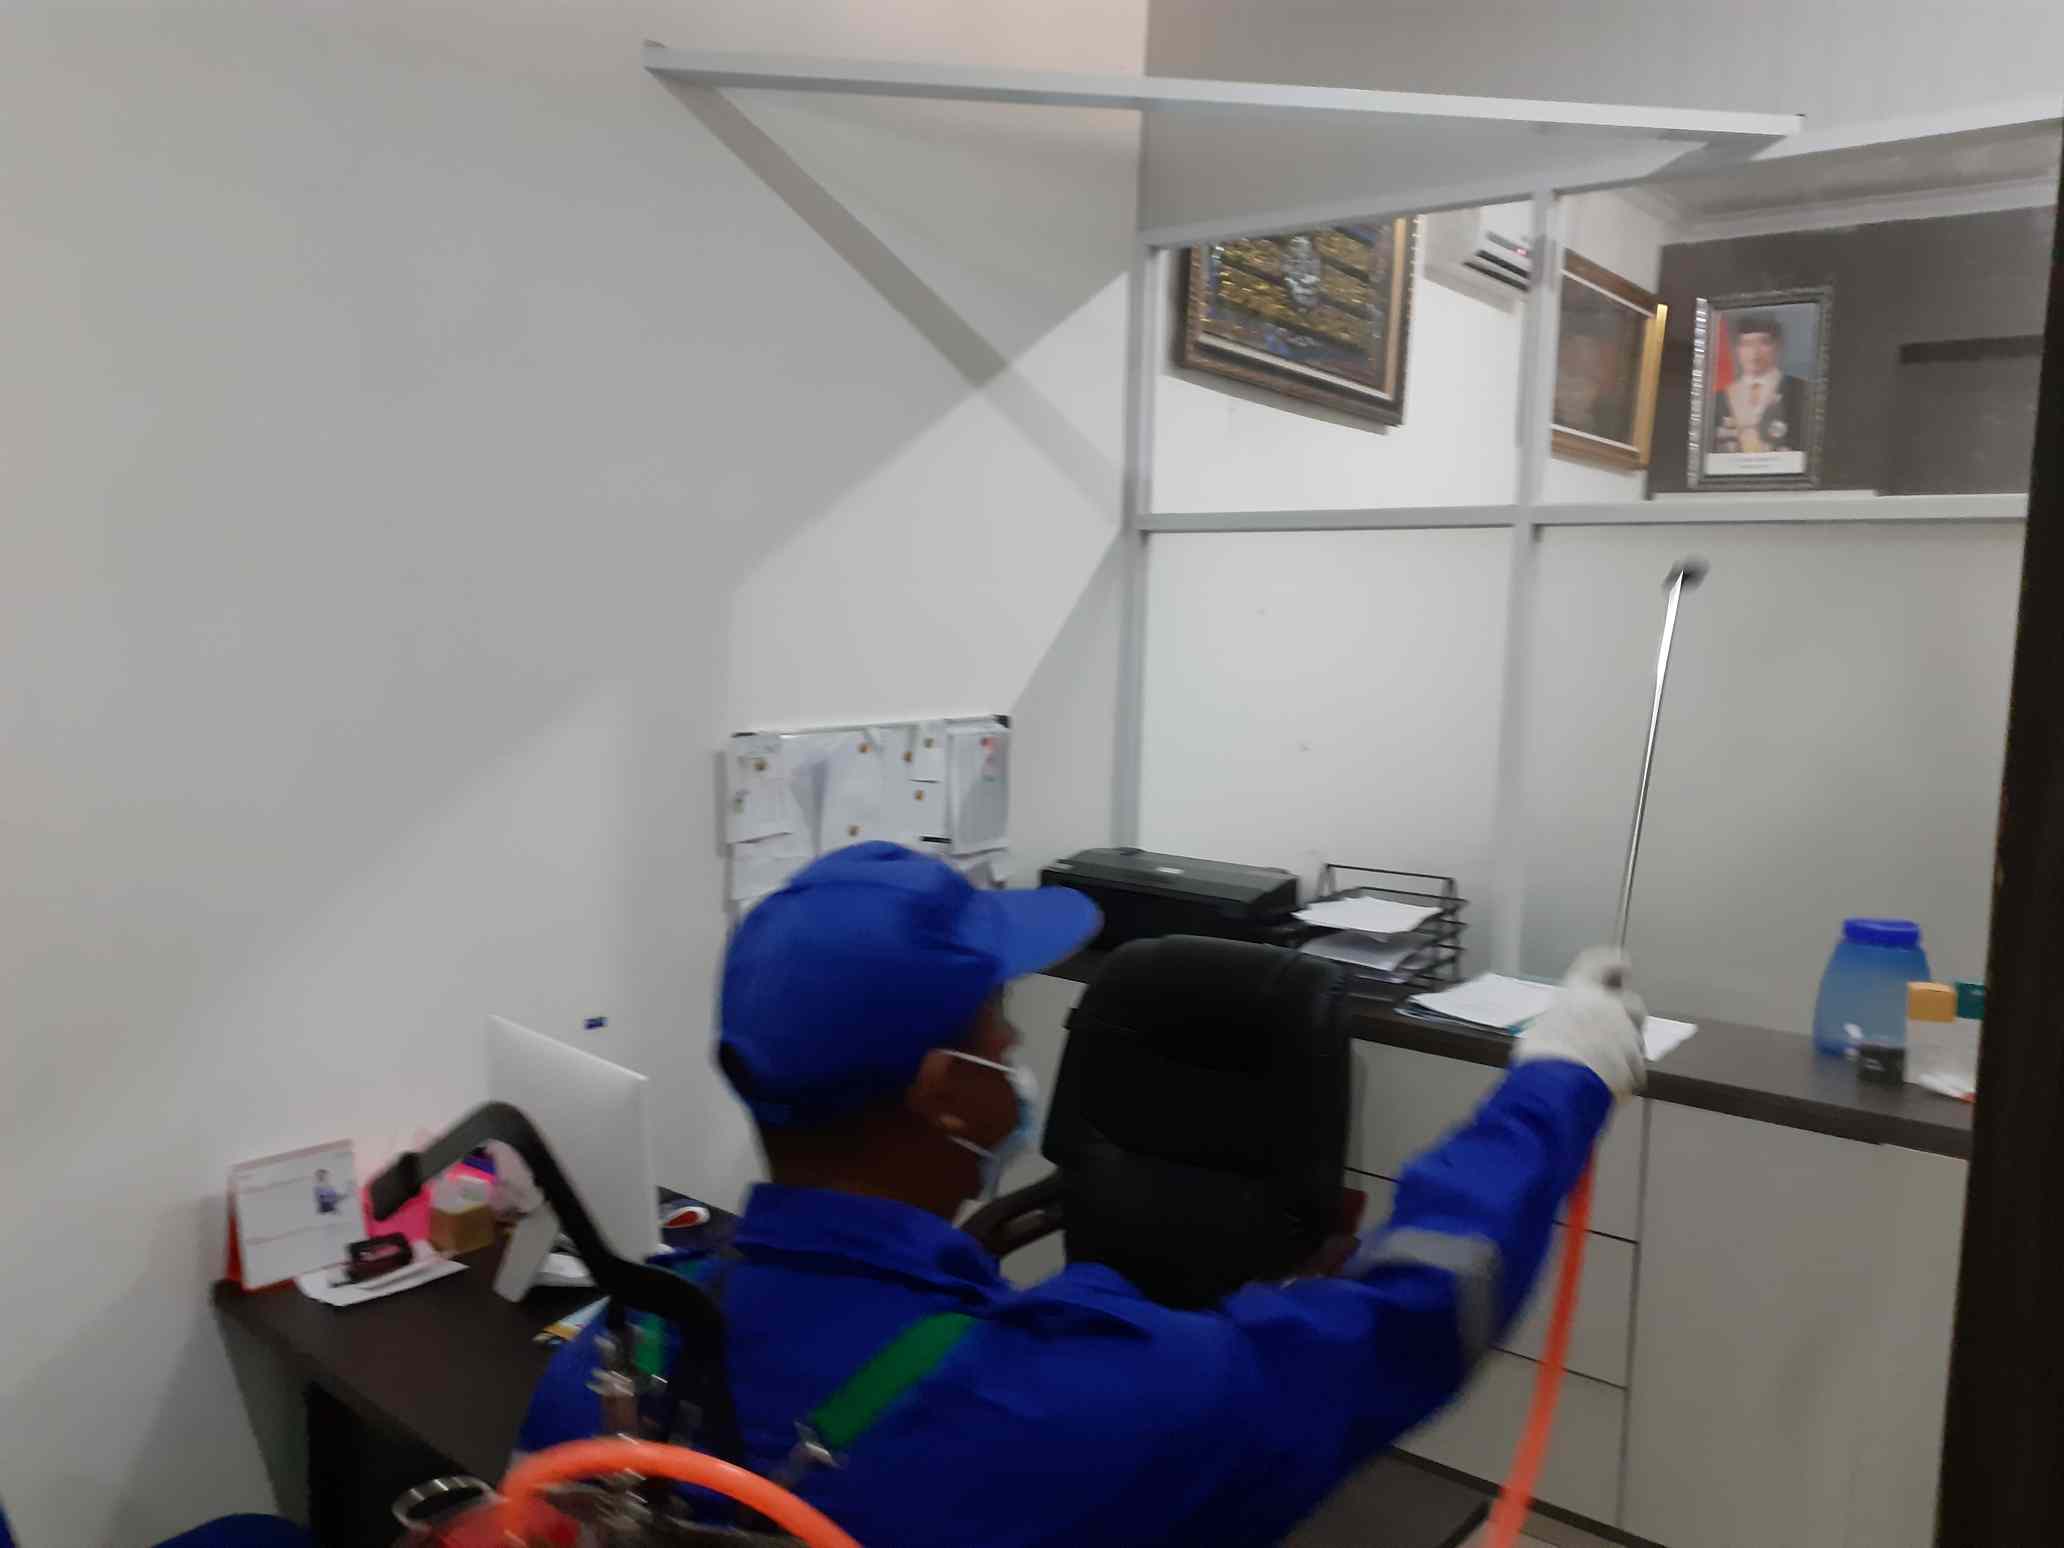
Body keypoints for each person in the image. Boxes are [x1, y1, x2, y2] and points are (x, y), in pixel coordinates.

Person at [520, 842, 1647, 1546]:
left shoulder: (608, 1364)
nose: (1017, 1052)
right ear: (946, 1095)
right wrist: (1561, 1075)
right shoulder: (1085, 1401)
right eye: (999, 1026)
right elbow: (1427, 1305)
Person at [1711, 313, 1806, 455]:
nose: (1755, 352)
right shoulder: (1719, 398)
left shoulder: (1800, 389)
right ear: (1737, 349)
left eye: (1764, 343)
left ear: (1777, 346)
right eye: (1746, 344)